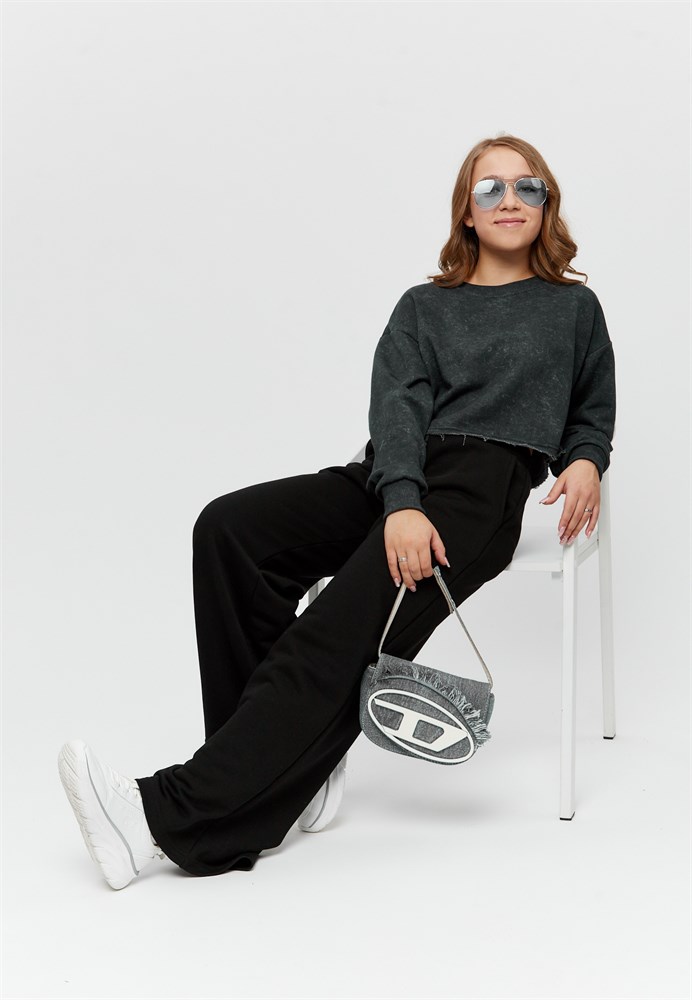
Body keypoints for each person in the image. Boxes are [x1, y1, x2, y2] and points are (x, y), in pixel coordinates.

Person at [57, 133, 616, 890]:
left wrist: (585, 459)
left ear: (547, 204)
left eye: (528, 187)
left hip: (481, 491)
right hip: (393, 474)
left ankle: (164, 820)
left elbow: (592, 407)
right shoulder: (424, 306)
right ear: (466, 210)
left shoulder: (573, 308)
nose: (510, 200)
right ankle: (282, 782)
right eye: (491, 188)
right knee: (230, 531)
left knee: (334, 629)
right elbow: (397, 406)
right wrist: (401, 500)